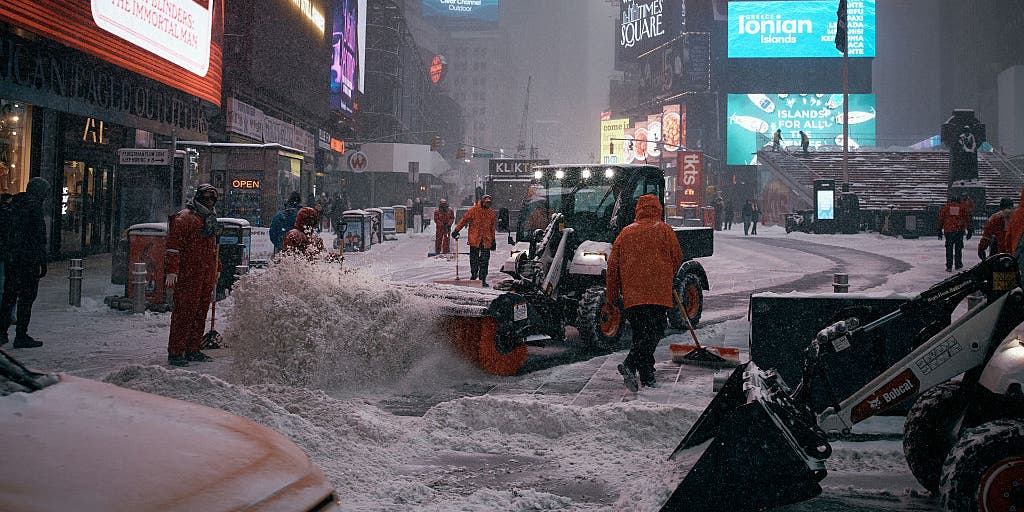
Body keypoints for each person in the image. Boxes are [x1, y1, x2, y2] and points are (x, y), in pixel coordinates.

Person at [606, 194, 683, 391]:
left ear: (638, 210)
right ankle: (631, 365)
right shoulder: (664, 231)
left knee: (641, 334)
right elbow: (677, 258)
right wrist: (666, 276)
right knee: (654, 332)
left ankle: (647, 375)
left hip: (633, 296)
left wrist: (612, 296)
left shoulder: (625, 233)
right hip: (658, 294)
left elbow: (612, 268)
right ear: (658, 209)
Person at [164, 184, 222, 367]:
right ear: (198, 198)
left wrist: (216, 268)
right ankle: (176, 351)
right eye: (206, 198)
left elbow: (212, 249)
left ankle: (192, 348)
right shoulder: (184, 218)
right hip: (188, 275)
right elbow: (173, 247)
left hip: (204, 274)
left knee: (199, 312)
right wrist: (172, 270)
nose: (210, 202)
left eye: (213, 199)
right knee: (184, 313)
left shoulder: (209, 219)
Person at [0, 177, 50, 348]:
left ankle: (1, 333)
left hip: (13, 260)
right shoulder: (34, 208)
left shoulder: (13, 204)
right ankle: (21, 335)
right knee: (26, 299)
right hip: (28, 261)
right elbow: (39, 238)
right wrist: (42, 261)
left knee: (9, 296)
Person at [452, 194, 497, 287]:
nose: (488, 205)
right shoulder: (474, 210)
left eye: (489, 203)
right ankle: (474, 274)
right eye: (486, 203)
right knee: (474, 260)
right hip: (475, 239)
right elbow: (464, 220)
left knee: (484, 261)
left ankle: (482, 279)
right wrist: (456, 230)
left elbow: (492, 228)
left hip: (486, 240)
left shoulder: (491, 213)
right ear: (483, 202)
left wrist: (493, 240)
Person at [938, 193, 969, 272]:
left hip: (949, 231)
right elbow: (967, 219)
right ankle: (958, 264)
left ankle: (949, 265)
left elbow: (941, 219)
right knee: (958, 248)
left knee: (949, 248)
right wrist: (969, 229)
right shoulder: (962, 207)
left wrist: (939, 229)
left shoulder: (946, 207)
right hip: (959, 230)